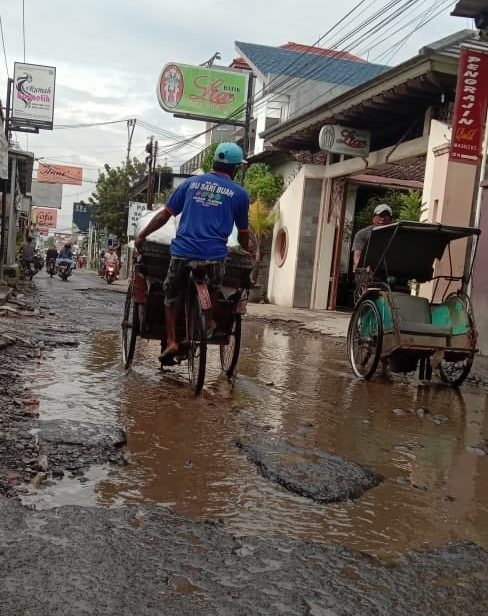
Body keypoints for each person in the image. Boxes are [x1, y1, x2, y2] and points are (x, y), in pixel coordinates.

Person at [135, 142, 250, 365]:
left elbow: (164, 215)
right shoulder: (239, 194)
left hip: (183, 252)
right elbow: (243, 234)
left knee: (171, 296)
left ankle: (171, 342)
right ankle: (207, 322)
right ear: (235, 169)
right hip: (215, 256)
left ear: (214, 163)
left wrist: (143, 235)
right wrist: (248, 249)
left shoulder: (190, 184)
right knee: (214, 287)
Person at [351, 204, 393, 272]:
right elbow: (357, 256)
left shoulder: (396, 233)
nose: (382, 219)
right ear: (373, 219)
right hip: (367, 271)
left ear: (391, 220)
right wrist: (360, 268)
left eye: (386, 215)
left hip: (389, 271)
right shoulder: (362, 234)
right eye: (380, 215)